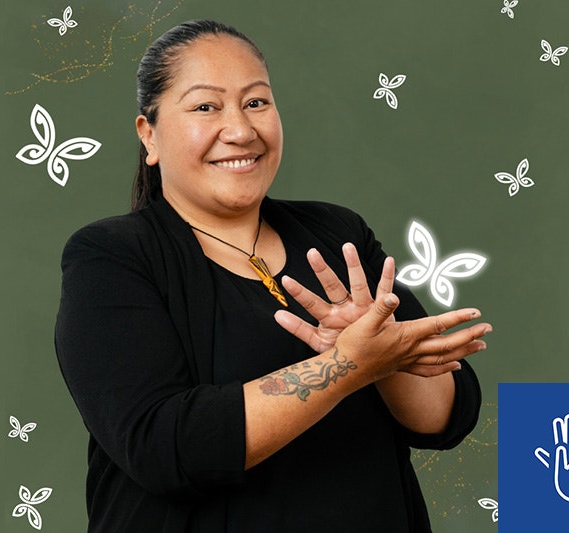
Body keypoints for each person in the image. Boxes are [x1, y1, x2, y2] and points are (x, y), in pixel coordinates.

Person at [55, 19, 491, 533]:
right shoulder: (110, 257)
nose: (241, 130)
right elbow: (164, 446)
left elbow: (445, 419)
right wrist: (349, 366)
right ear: (148, 135)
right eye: (205, 107)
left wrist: (384, 357)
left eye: (257, 102)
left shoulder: (336, 231)